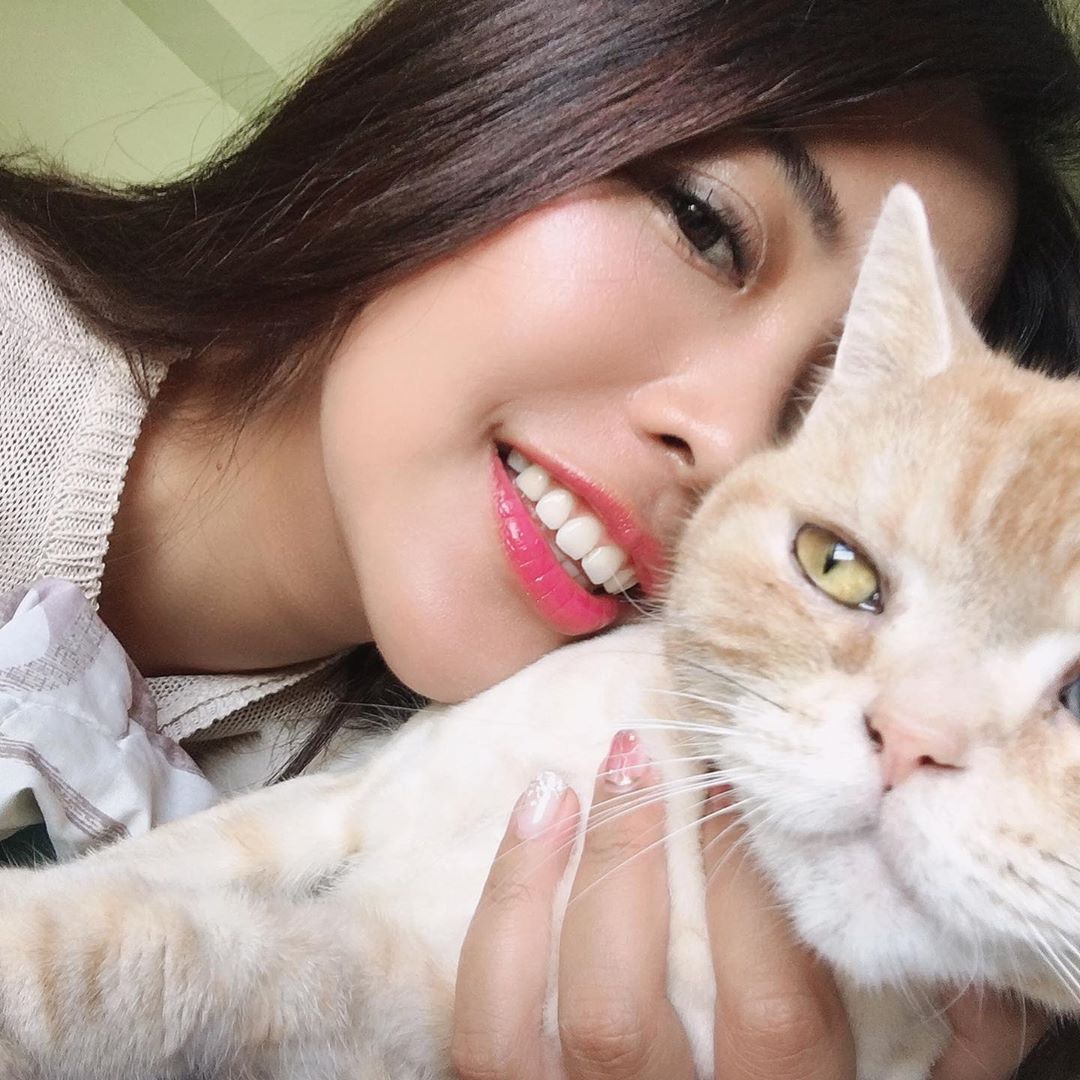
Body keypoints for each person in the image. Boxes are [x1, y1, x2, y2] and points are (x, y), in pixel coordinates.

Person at [1, 0, 1079, 1076]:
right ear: (496, 82)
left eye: (815, 409)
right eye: (706, 228)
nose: (729, 443)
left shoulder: (542, 818)